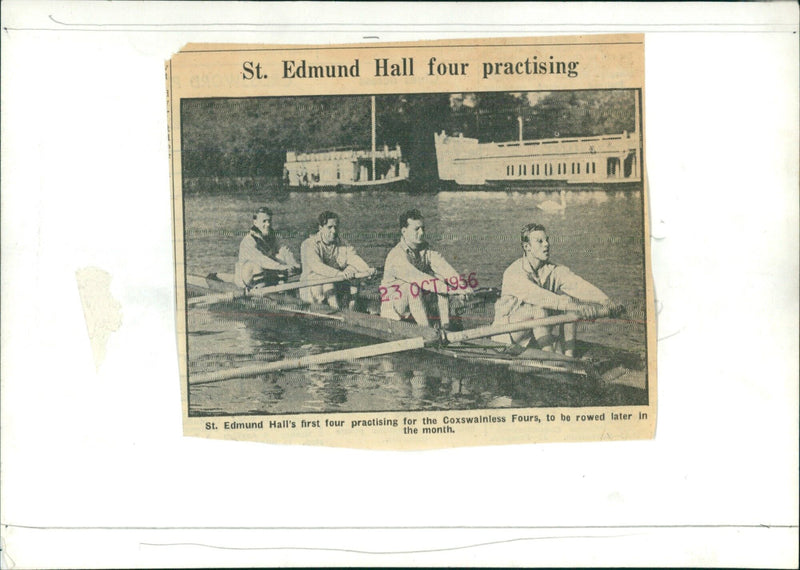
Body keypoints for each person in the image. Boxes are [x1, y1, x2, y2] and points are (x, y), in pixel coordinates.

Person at [492, 223, 620, 357]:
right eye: (540, 241)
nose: (546, 244)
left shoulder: (552, 270)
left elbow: (578, 285)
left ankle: (569, 357)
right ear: (527, 247)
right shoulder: (513, 273)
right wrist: (580, 308)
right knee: (538, 308)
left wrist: (605, 300)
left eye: (547, 240)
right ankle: (551, 359)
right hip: (505, 337)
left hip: (535, 334)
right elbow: (540, 297)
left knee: (568, 300)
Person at [381, 209, 471, 329]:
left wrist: (462, 286)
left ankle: (445, 326)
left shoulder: (426, 249)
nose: (422, 232)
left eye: (423, 228)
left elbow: (444, 268)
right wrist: (452, 290)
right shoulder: (396, 256)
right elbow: (420, 279)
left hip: (416, 303)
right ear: (404, 231)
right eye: (416, 229)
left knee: (440, 278)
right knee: (413, 286)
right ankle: (427, 331)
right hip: (395, 307)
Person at [299, 211, 376, 309]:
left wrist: (367, 269)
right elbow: (318, 267)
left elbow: (353, 258)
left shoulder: (341, 242)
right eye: (329, 227)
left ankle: (352, 308)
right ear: (321, 228)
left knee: (353, 270)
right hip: (312, 287)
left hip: (334, 284)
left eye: (336, 227)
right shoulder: (308, 244)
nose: (334, 231)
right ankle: (336, 311)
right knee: (328, 283)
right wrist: (339, 274)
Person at [234, 207, 300, 289]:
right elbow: (261, 259)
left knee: (281, 257)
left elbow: (284, 250)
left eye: (269, 221)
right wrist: (281, 267)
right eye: (264, 221)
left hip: (264, 271)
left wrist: (293, 264)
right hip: (246, 276)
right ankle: (260, 292)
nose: (268, 224)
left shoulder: (272, 237)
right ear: (255, 223)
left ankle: (281, 289)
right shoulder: (249, 240)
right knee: (256, 265)